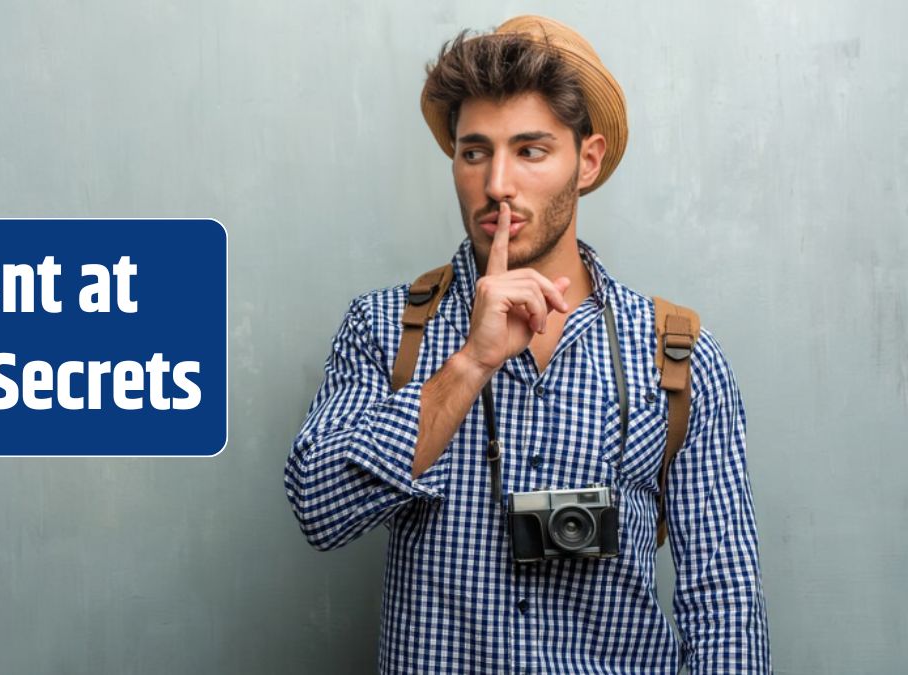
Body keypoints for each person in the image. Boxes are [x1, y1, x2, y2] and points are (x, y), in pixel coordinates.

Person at [283, 15, 770, 674]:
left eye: (531, 150)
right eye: (475, 151)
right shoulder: (387, 328)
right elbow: (318, 507)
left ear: (587, 161)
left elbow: (725, 601)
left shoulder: (675, 356)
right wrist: (470, 362)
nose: (497, 185)